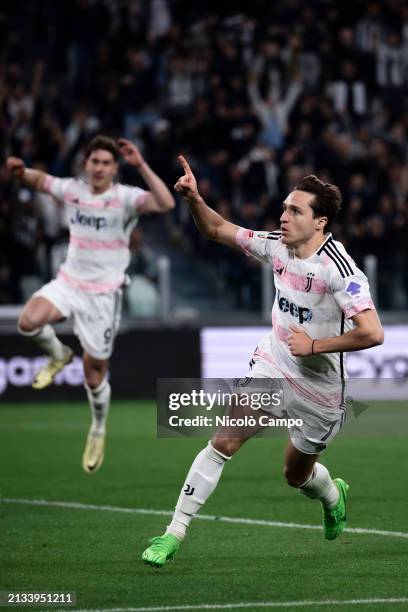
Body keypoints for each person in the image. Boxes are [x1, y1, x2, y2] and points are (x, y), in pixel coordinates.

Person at [142, 156, 384, 567]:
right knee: (223, 442)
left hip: (321, 389)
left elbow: (373, 332)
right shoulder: (276, 245)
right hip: (274, 364)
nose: (283, 215)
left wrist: (316, 347)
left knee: (295, 474)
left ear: (320, 222)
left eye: (295, 210)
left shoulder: (339, 269)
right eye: (285, 207)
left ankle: (332, 494)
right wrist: (194, 200)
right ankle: (173, 533)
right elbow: (217, 229)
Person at [6, 136, 175, 473]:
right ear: (87, 165)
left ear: (114, 169)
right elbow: (40, 181)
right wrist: (20, 171)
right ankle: (57, 355)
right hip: (69, 281)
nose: (99, 168)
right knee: (28, 321)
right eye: (94, 161)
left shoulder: (124, 197)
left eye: (106, 163)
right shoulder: (72, 190)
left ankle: (98, 428)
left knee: (94, 373)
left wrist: (140, 164)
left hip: (103, 294)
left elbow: (166, 203)